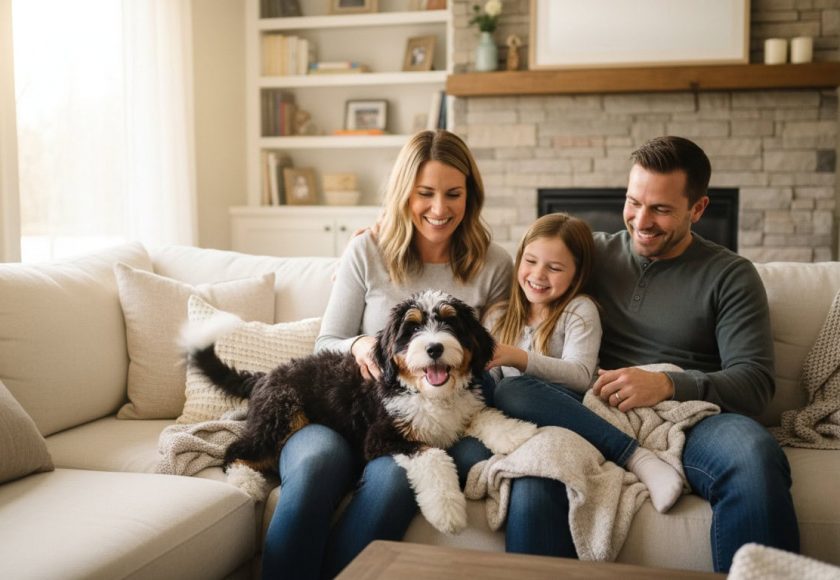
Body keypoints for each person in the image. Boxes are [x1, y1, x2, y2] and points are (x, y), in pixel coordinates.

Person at [491, 136, 799, 572]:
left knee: (752, 453)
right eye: (634, 202)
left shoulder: (730, 276)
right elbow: (523, 267)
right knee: (535, 464)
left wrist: (668, 383)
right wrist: (398, 236)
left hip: (689, 417)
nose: (641, 220)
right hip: (593, 414)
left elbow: (755, 383)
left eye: (661, 209)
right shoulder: (592, 252)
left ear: (699, 209)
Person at [259, 129, 513, 579]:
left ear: (470, 196)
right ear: (404, 194)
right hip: (338, 414)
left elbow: (489, 359)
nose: (440, 209)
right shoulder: (367, 250)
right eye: (426, 194)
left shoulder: (493, 265)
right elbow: (326, 341)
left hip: (416, 424)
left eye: (454, 194)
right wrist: (358, 343)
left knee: (394, 479)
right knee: (317, 464)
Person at [481, 212, 683, 514]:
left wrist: (518, 358)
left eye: (554, 268)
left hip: (568, 408)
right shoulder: (498, 316)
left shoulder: (579, 310)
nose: (538, 275)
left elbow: (580, 376)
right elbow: (490, 381)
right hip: (513, 423)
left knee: (513, 390)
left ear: (576, 274)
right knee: (488, 393)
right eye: (531, 261)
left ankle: (635, 456)